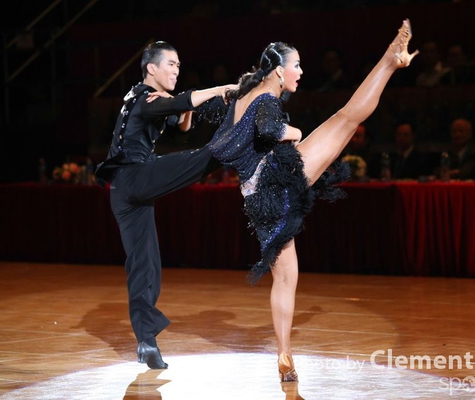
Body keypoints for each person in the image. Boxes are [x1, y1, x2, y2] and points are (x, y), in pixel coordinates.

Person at [208, 20, 418, 382]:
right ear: (279, 70)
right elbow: (270, 130)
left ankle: (284, 354)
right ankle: (389, 60)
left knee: (285, 278)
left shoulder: (242, 96)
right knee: (346, 118)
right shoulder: (265, 98)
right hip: (277, 180)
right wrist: (295, 131)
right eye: (297, 65)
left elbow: (225, 132)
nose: (301, 72)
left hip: (258, 199)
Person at [94, 41, 237, 370]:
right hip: (134, 177)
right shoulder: (145, 99)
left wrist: (182, 107)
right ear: (151, 68)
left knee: (145, 268)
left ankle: (146, 341)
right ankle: (244, 136)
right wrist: (220, 90)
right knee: (203, 158)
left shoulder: (150, 99)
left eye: (178, 65)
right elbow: (178, 104)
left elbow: (182, 125)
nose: (176, 70)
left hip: (124, 191)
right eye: (170, 64)